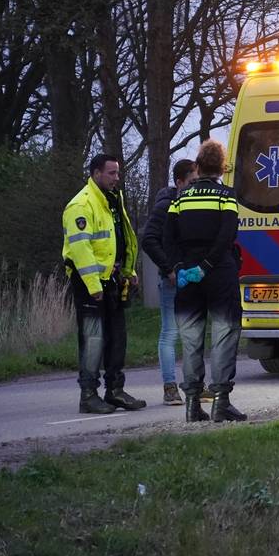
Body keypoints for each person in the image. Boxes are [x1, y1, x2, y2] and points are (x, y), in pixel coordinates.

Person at [163, 140, 246, 423]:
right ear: (222, 168)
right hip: (219, 272)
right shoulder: (226, 195)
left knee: (191, 340)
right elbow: (227, 235)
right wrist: (208, 265)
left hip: (187, 277)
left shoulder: (179, 198)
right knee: (224, 335)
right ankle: (220, 402)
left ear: (197, 165)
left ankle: (191, 405)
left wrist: (179, 268)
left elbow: (168, 237)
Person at [61, 154, 146, 414]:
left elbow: (120, 238)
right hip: (90, 283)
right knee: (93, 339)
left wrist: (129, 270)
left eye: (117, 173)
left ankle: (115, 391)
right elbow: (80, 249)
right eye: (111, 173)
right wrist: (93, 285)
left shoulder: (112, 201)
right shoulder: (81, 204)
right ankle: (88, 394)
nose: (116, 178)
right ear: (96, 173)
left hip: (113, 279)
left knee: (117, 337)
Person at [141, 158, 198, 406]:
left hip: (193, 278)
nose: (197, 186)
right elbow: (149, 240)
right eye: (192, 182)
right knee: (170, 333)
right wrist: (170, 268)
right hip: (173, 280)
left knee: (193, 334)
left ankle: (195, 385)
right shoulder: (165, 205)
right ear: (179, 182)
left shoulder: (193, 203)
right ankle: (169, 387)